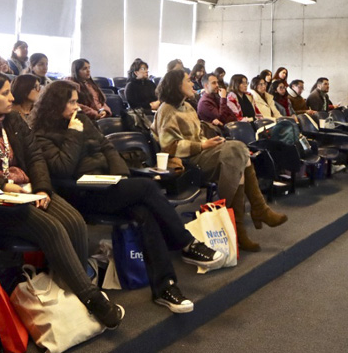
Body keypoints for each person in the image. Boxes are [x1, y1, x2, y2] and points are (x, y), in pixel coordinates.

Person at [31, 80, 224, 313]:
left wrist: (120, 176)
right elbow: (62, 168)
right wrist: (73, 133)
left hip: (109, 187)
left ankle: (166, 288)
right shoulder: (42, 134)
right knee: (146, 188)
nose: (76, 107)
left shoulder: (82, 120)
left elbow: (108, 148)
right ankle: (185, 243)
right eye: (71, 102)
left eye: (76, 101)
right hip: (82, 194)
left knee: (145, 213)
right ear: (55, 104)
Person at [0, 73, 123, 328]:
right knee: (51, 228)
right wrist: (5, 185)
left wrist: (43, 188)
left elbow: (35, 158)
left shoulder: (13, 120)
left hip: (28, 188)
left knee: (74, 220)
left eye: (10, 91)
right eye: (4, 93)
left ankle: (69, 288)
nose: (11, 97)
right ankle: (90, 297)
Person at [155, 69, 287, 252]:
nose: (193, 83)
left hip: (202, 153)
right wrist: (203, 145)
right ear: (177, 85)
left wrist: (210, 142)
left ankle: (242, 225)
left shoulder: (187, 106)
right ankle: (256, 212)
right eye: (188, 81)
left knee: (238, 154)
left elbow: (198, 136)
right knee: (238, 151)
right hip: (188, 162)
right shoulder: (166, 110)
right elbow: (169, 147)